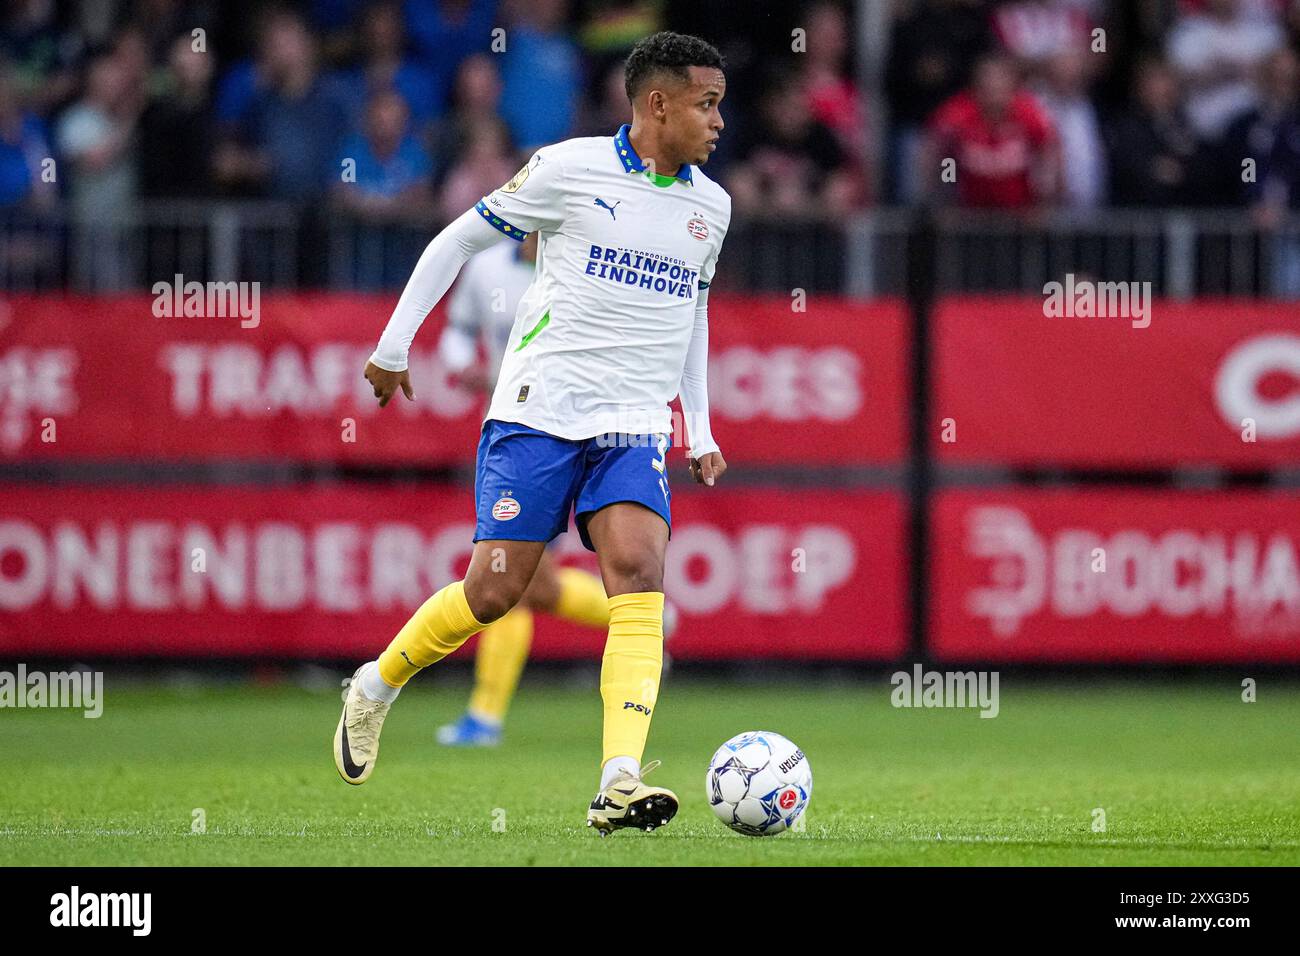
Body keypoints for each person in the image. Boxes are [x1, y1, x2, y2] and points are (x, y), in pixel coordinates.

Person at [333, 31, 730, 837]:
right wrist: (393, 344)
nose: (719, 122)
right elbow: (458, 239)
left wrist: (700, 422)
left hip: (633, 425)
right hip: (539, 411)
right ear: (657, 103)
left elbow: (693, 311)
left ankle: (619, 777)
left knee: (638, 573)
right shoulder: (566, 169)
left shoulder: (711, 207)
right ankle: (375, 685)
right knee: (495, 591)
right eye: (706, 104)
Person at [432, 229, 681, 747]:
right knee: (525, 584)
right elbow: (457, 331)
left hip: (573, 438)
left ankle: (484, 717)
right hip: (515, 437)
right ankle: (645, 614)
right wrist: (463, 368)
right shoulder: (486, 269)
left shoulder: (583, 266)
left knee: (514, 584)